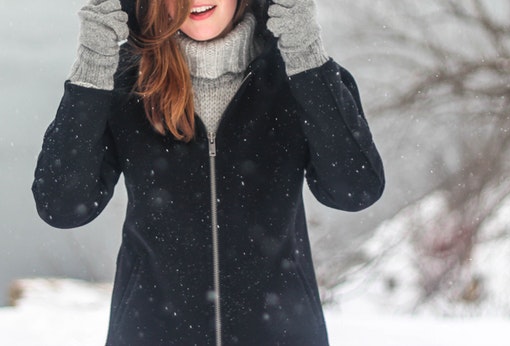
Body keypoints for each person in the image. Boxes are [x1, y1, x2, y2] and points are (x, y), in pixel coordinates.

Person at [32, 0, 384, 344]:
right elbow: (62, 206)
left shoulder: (299, 75)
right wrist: (93, 68)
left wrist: (306, 54)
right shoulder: (126, 84)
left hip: (282, 334)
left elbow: (355, 190)